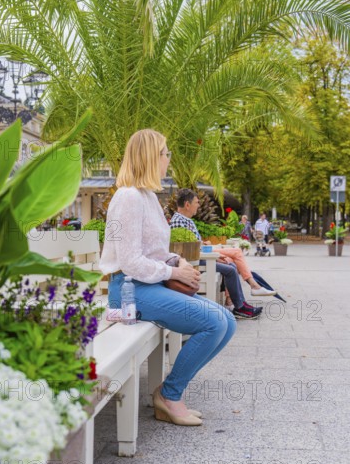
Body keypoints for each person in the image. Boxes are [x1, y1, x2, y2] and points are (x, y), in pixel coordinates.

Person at [99, 129, 236, 427]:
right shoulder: (128, 198)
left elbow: (153, 251)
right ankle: (169, 396)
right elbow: (130, 261)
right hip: (129, 291)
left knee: (228, 322)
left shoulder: (147, 197)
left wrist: (177, 262)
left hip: (150, 285)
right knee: (213, 323)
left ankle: (168, 392)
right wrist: (174, 272)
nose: (168, 159)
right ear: (150, 157)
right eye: (165, 153)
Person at [170, 189, 266, 315]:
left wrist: (211, 252)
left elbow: (194, 246)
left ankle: (240, 304)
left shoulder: (185, 220)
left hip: (200, 259)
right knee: (231, 269)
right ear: (187, 205)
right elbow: (187, 251)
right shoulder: (179, 222)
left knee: (231, 264)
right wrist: (214, 256)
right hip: (194, 263)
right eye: (196, 202)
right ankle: (240, 306)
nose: (198, 205)